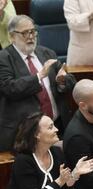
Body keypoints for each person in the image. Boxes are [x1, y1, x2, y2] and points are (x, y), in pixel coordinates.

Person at [0, 15, 76, 152]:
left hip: (57, 126)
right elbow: (9, 88)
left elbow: (70, 82)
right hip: (24, 133)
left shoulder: (47, 53)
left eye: (33, 31)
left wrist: (62, 81)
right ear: (12, 36)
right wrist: (39, 76)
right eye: (24, 33)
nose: (30, 36)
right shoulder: (4, 58)